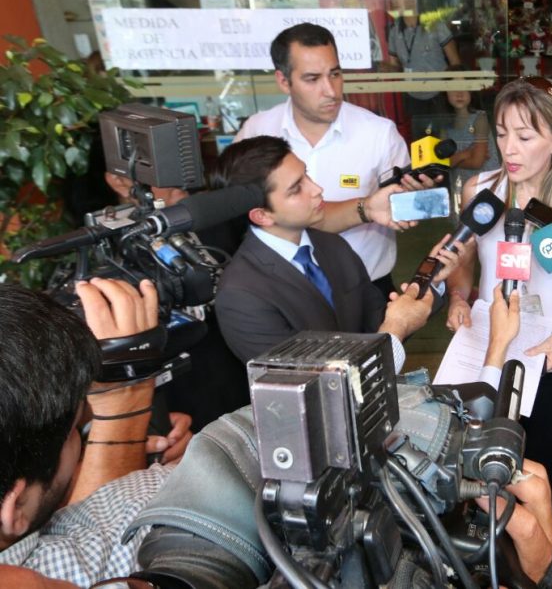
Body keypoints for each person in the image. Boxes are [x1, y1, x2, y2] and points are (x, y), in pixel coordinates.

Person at [445, 76, 552, 502]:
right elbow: (462, 262)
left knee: (542, 465)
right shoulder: (481, 192)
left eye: (524, 136)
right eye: (502, 134)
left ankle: (543, 539)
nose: (509, 149)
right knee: (485, 466)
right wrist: (458, 298)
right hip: (490, 354)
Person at [236, 22, 431, 298]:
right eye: (312, 79)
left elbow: (406, 206)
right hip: (282, 294)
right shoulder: (257, 131)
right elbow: (240, 213)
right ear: (283, 81)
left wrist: (413, 200)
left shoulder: (379, 133)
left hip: (367, 289)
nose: (330, 90)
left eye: (335, 74)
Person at [0, 279, 175, 585]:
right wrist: (124, 405)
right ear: (14, 511)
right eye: (73, 432)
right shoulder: (55, 575)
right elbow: (103, 537)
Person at [212, 136, 437, 368]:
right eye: (296, 189)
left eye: (306, 175)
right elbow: (318, 382)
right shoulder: (241, 295)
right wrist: (397, 326)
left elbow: (376, 325)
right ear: (262, 215)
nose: (317, 189)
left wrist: (432, 278)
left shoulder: (332, 245)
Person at [103, 172, 249, 430]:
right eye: (159, 171)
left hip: (239, 367)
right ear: (119, 181)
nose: (183, 180)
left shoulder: (211, 216)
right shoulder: (115, 251)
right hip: (185, 395)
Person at [386, 0, 462, 118]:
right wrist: (381, 68)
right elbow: (395, 67)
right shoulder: (394, 31)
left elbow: (455, 63)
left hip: (439, 96)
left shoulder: (434, 25)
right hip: (411, 97)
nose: (394, 0)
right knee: (417, 131)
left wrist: (456, 93)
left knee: (441, 132)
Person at [439, 67, 499, 188]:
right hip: (460, 186)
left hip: (485, 185)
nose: (459, 93)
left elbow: (477, 162)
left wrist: (453, 160)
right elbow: (441, 164)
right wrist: (465, 154)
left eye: (465, 87)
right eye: (454, 87)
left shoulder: (480, 119)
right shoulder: (445, 127)